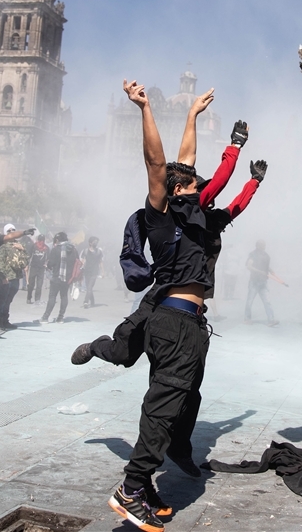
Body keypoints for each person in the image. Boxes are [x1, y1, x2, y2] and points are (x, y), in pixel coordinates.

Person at [106, 79, 215, 532]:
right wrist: (145, 107)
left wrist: (192, 115)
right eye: (187, 183)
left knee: (178, 402)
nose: (196, 184)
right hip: (172, 322)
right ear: (172, 192)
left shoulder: (187, 211)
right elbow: (158, 163)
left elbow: (181, 161)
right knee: (164, 407)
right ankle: (131, 488)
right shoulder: (160, 213)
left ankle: (145, 482)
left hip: (186, 324)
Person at [0, 224, 29, 329]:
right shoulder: (3, 245)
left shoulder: (19, 245)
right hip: (6, 277)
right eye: (9, 230)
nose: (11, 232)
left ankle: (5, 320)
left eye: (13, 230)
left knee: (8, 300)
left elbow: (26, 260)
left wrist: (22, 249)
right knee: (2, 300)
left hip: (16, 277)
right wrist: (2, 276)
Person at [41, 232, 78, 323]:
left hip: (57, 276)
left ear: (57, 240)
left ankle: (46, 317)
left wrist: (47, 265)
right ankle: (60, 318)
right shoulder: (73, 249)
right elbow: (76, 261)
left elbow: (51, 263)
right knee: (64, 296)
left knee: (52, 296)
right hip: (68, 277)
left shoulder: (56, 249)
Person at [244, 240, 280, 326]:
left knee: (267, 301)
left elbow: (266, 266)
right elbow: (249, 266)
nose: (264, 246)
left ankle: (271, 320)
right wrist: (260, 272)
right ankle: (247, 319)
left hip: (263, 282)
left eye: (264, 245)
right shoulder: (253, 254)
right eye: (262, 245)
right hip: (254, 282)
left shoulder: (266, 255)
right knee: (250, 301)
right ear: (257, 246)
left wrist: (271, 271)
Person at [81, 237, 104, 307]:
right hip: (87, 271)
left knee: (89, 287)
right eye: (94, 241)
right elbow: (83, 260)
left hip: (94, 272)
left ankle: (86, 301)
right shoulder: (85, 251)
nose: (96, 243)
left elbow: (101, 262)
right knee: (89, 287)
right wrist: (82, 266)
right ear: (90, 243)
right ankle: (92, 301)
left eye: (96, 242)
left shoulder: (99, 252)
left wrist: (103, 272)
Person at [26, 235, 48, 305]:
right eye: (40, 240)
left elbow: (48, 257)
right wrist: (27, 265)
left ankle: (37, 299)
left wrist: (46, 264)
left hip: (41, 268)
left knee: (39, 285)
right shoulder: (34, 246)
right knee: (31, 284)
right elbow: (29, 255)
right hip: (33, 267)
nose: (41, 242)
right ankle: (29, 298)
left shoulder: (46, 248)